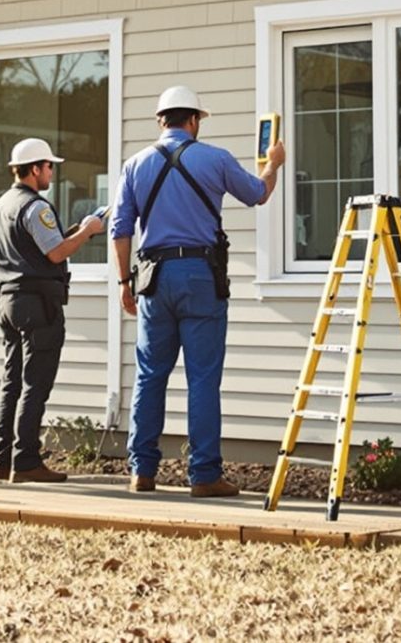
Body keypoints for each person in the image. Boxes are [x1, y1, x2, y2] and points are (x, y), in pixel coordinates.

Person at [109, 86, 283, 496]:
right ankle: (204, 475)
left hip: (152, 275)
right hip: (201, 274)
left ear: (160, 121)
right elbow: (258, 194)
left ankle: (142, 472)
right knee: (203, 378)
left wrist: (124, 283)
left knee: (150, 376)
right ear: (194, 121)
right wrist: (273, 164)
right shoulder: (215, 158)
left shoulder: (133, 165)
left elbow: (119, 230)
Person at [0, 136, 106, 483]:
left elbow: (34, 248)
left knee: (11, 382)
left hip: (7, 301)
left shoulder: (0, 206)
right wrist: (87, 231)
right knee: (35, 384)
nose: (52, 174)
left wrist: (73, 232)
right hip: (38, 304)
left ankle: (3, 462)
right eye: (49, 167)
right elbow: (55, 254)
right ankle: (26, 463)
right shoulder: (36, 207)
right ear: (35, 168)